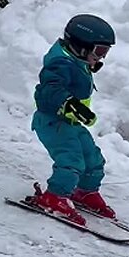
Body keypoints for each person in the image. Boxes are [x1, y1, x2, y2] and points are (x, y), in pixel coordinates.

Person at [29, 14, 117, 224]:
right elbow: (49, 89)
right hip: (52, 122)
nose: (102, 57)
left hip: (70, 122)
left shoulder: (76, 59)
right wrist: (69, 103)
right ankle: (54, 196)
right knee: (71, 160)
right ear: (81, 45)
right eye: (99, 51)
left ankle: (84, 191)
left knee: (93, 159)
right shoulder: (60, 63)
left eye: (105, 52)